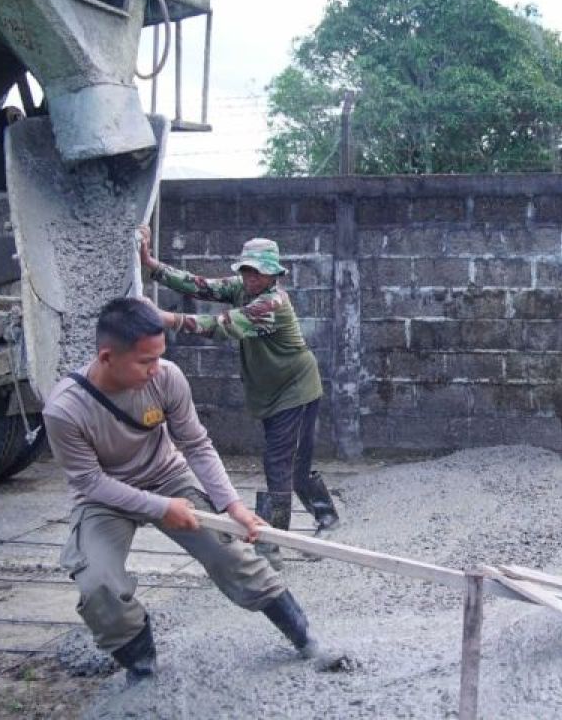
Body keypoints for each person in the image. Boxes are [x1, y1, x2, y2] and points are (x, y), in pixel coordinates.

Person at [42, 298, 326, 682]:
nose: (155, 369)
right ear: (107, 357)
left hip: (167, 477)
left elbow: (195, 444)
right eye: (145, 361)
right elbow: (90, 482)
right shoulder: (64, 410)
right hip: (104, 498)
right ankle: (142, 670)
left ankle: (305, 638)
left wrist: (233, 507)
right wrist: (159, 508)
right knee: (97, 585)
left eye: (159, 357)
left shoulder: (167, 378)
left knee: (232, 555)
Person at [138, 227, 339, 570]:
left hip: (296, 389)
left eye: (258, 272)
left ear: (273, 274)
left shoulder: (271, 303)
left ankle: (272, 545)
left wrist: (163, 319)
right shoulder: (241, 289)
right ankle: (327, 516)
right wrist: (151, 264)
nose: (251, 278)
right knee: (293, 465)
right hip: (272, 391)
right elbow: (199, 285)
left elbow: (222, 325)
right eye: (247, 270)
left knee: (279, 463)